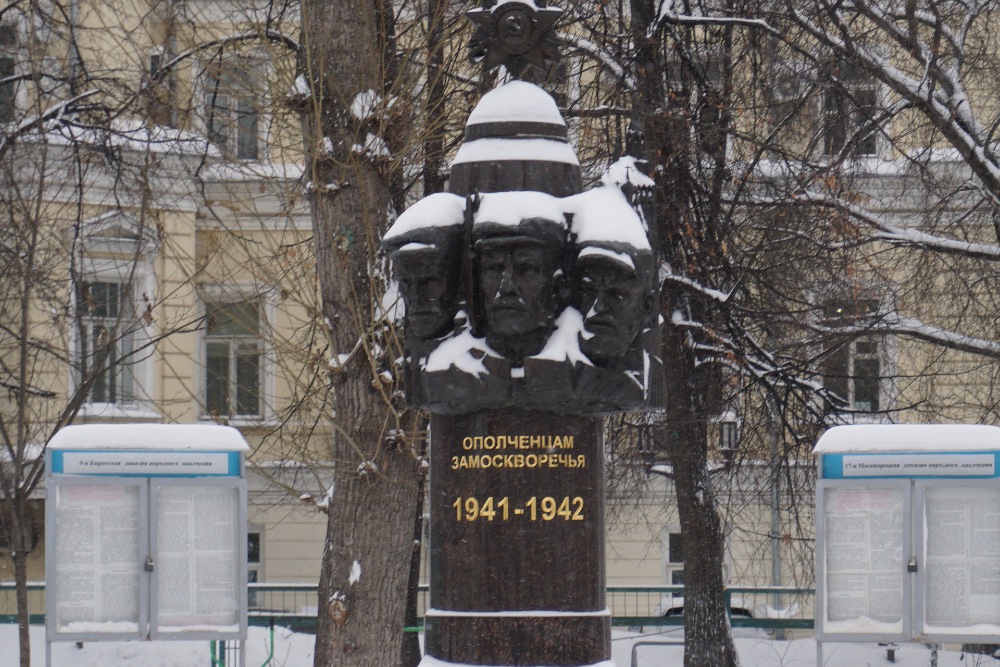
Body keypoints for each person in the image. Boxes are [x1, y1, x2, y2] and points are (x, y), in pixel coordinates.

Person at [472, 193, 568, 364]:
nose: (507, 286)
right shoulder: (448, 376)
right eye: (494, 268)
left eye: (526, 269)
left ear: (555, 289)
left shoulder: (591, 381)